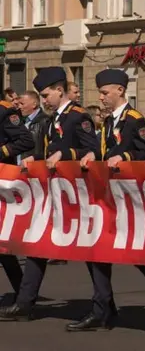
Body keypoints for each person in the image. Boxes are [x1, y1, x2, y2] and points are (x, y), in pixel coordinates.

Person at [70, 69, 145, 334]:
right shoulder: (108, 122)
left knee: (142, 259)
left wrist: (125, 156)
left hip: (131, 200)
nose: (101, 97)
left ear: (119, 90)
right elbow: (105, 150)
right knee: (96, 253)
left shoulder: (134, 119)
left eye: (105, 92)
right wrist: (92, 156)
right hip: (107, 198)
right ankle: (102, 309)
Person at [0, 67, 98, 321]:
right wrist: (36, 158)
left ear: (59, 90)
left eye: (45, 95)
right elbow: (51, 151)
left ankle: (103, 307)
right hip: (53, 192)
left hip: (77, 194)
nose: (43, 100)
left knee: (93, 254)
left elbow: (92, 150)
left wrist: (64, 156)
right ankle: (25, 303)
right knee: (36, 246)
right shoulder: (54, 118)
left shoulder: (77, 116)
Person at [0, 92, 33, 295]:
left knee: (3, 247)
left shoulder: (5, 110)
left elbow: (25, 140)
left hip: (2, 179)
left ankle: (23, 295)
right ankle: (23, 295)